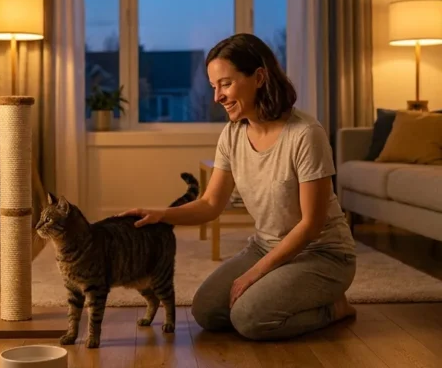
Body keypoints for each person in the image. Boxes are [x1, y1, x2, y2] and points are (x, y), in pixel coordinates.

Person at [120, 33, 357, 341]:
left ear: (259, 77)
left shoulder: (305, 135)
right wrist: (162, 214)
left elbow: (311, 226)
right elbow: (210, 204)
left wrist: (254, 274)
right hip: (265, 246)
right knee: (206, 310)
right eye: (213, 87)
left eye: (226, 84)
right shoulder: (232, 134)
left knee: (249, 318)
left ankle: (335, 308)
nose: (217, 96)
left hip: (322, 254)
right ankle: (277, 296)